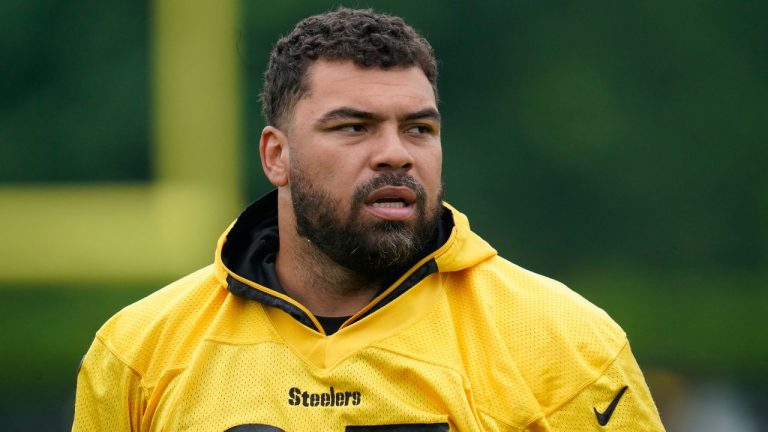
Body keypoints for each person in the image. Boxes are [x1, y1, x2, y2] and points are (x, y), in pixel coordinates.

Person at [72, 8, 665, 431]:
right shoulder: (140, 352)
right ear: (276, 156)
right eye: (354, 127)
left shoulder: (564, 345)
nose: (395, 153)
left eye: (419, 128)